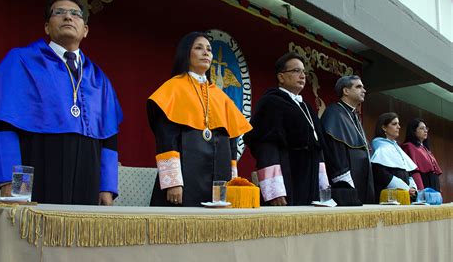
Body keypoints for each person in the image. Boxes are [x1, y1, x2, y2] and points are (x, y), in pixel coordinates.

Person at [0, 0, 123, 205]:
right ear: (47, 27)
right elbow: (0, 122)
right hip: (38, 162)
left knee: (81, 236)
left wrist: (107, 186)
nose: (68, 17)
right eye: (60, 12)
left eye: (75, 14)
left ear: (85, 30)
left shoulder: (99, 78)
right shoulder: (22, 61)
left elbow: (109, 136)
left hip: (88, 172)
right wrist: (11, 181)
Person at [147, 32, 251, 206]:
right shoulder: (173, 88)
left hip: (219, 177)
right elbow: (166, 138)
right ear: (186, 53)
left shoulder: (221, 97)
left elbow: (232, 141)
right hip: (185, 177)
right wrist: (173, 182)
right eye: (199, 48)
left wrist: (232, 182)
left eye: (209, 49)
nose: (206, 53)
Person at [243, 52, 329, 206]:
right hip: (287, 176)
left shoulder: (307, 108)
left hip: (310, 179)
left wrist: (323, 187)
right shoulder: (271, 103)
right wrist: (274, 190)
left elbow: (318, 147)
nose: (302, 75)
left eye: (304, 71)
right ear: (281, 77)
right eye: (296, 71)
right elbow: (266, 145)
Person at [320, 75, 375, 205]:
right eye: (358, 86)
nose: (364, 90)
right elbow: (335, 151)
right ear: (346, 91)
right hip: (347, 182)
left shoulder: (353, 115)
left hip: (362, 178)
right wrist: (345, 183)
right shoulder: (334, 113)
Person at [371, 113, 417, 201]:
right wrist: (405, 188)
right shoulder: (379, 146)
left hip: (405, 195)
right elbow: (381, 174)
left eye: (398, 124)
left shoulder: (396, 146)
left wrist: (412, 188)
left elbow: (407, 171)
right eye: (394, 124)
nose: (399, 127)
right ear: (384, 127)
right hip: (389, 197)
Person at [401, 118, 442, 191]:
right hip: (423, 183)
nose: (425, 130)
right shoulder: (409, 146)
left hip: (433, 183)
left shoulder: (425, 148)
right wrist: (421, 189)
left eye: (426, 128)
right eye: (422, 128)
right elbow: (413, 171)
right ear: (414, 131)